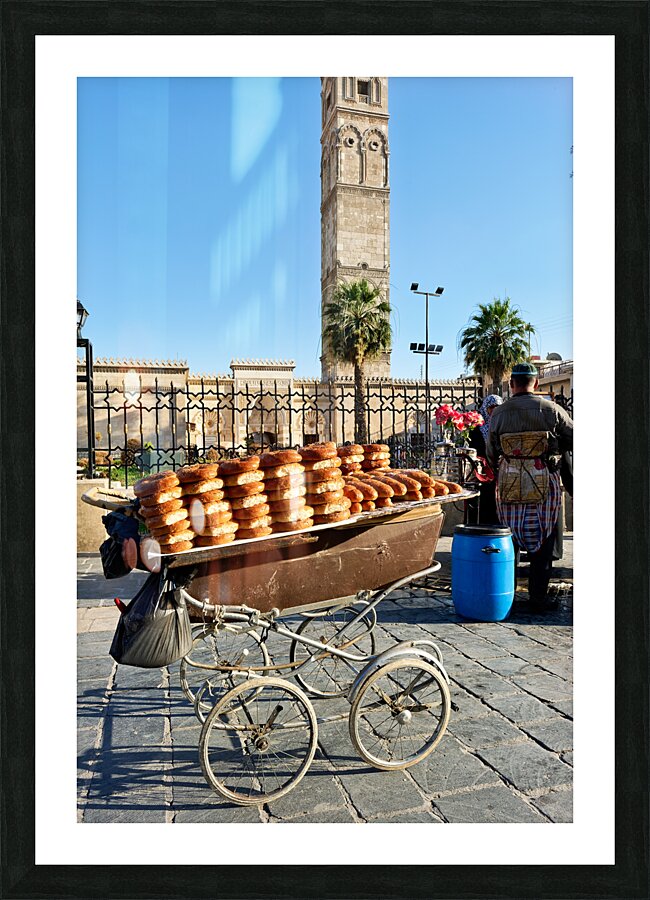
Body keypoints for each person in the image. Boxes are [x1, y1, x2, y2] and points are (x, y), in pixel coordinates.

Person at [486, 363, 573, 612]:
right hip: (544, 484)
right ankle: (538, 597)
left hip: (509, 484)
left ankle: (508, 596)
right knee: (544, 542)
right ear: (536, 384)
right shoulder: (552, 409)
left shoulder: (499, 414)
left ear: (512, 384)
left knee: (510, 540)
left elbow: (492, 453)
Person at [466, 394, 502, 524]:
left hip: (499, 468)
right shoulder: (477, 427)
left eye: (497, 407)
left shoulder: (501, 424)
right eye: (491, 407)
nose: (493, 410)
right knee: (484, 498)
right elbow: (473, 447)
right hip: (483, 470)